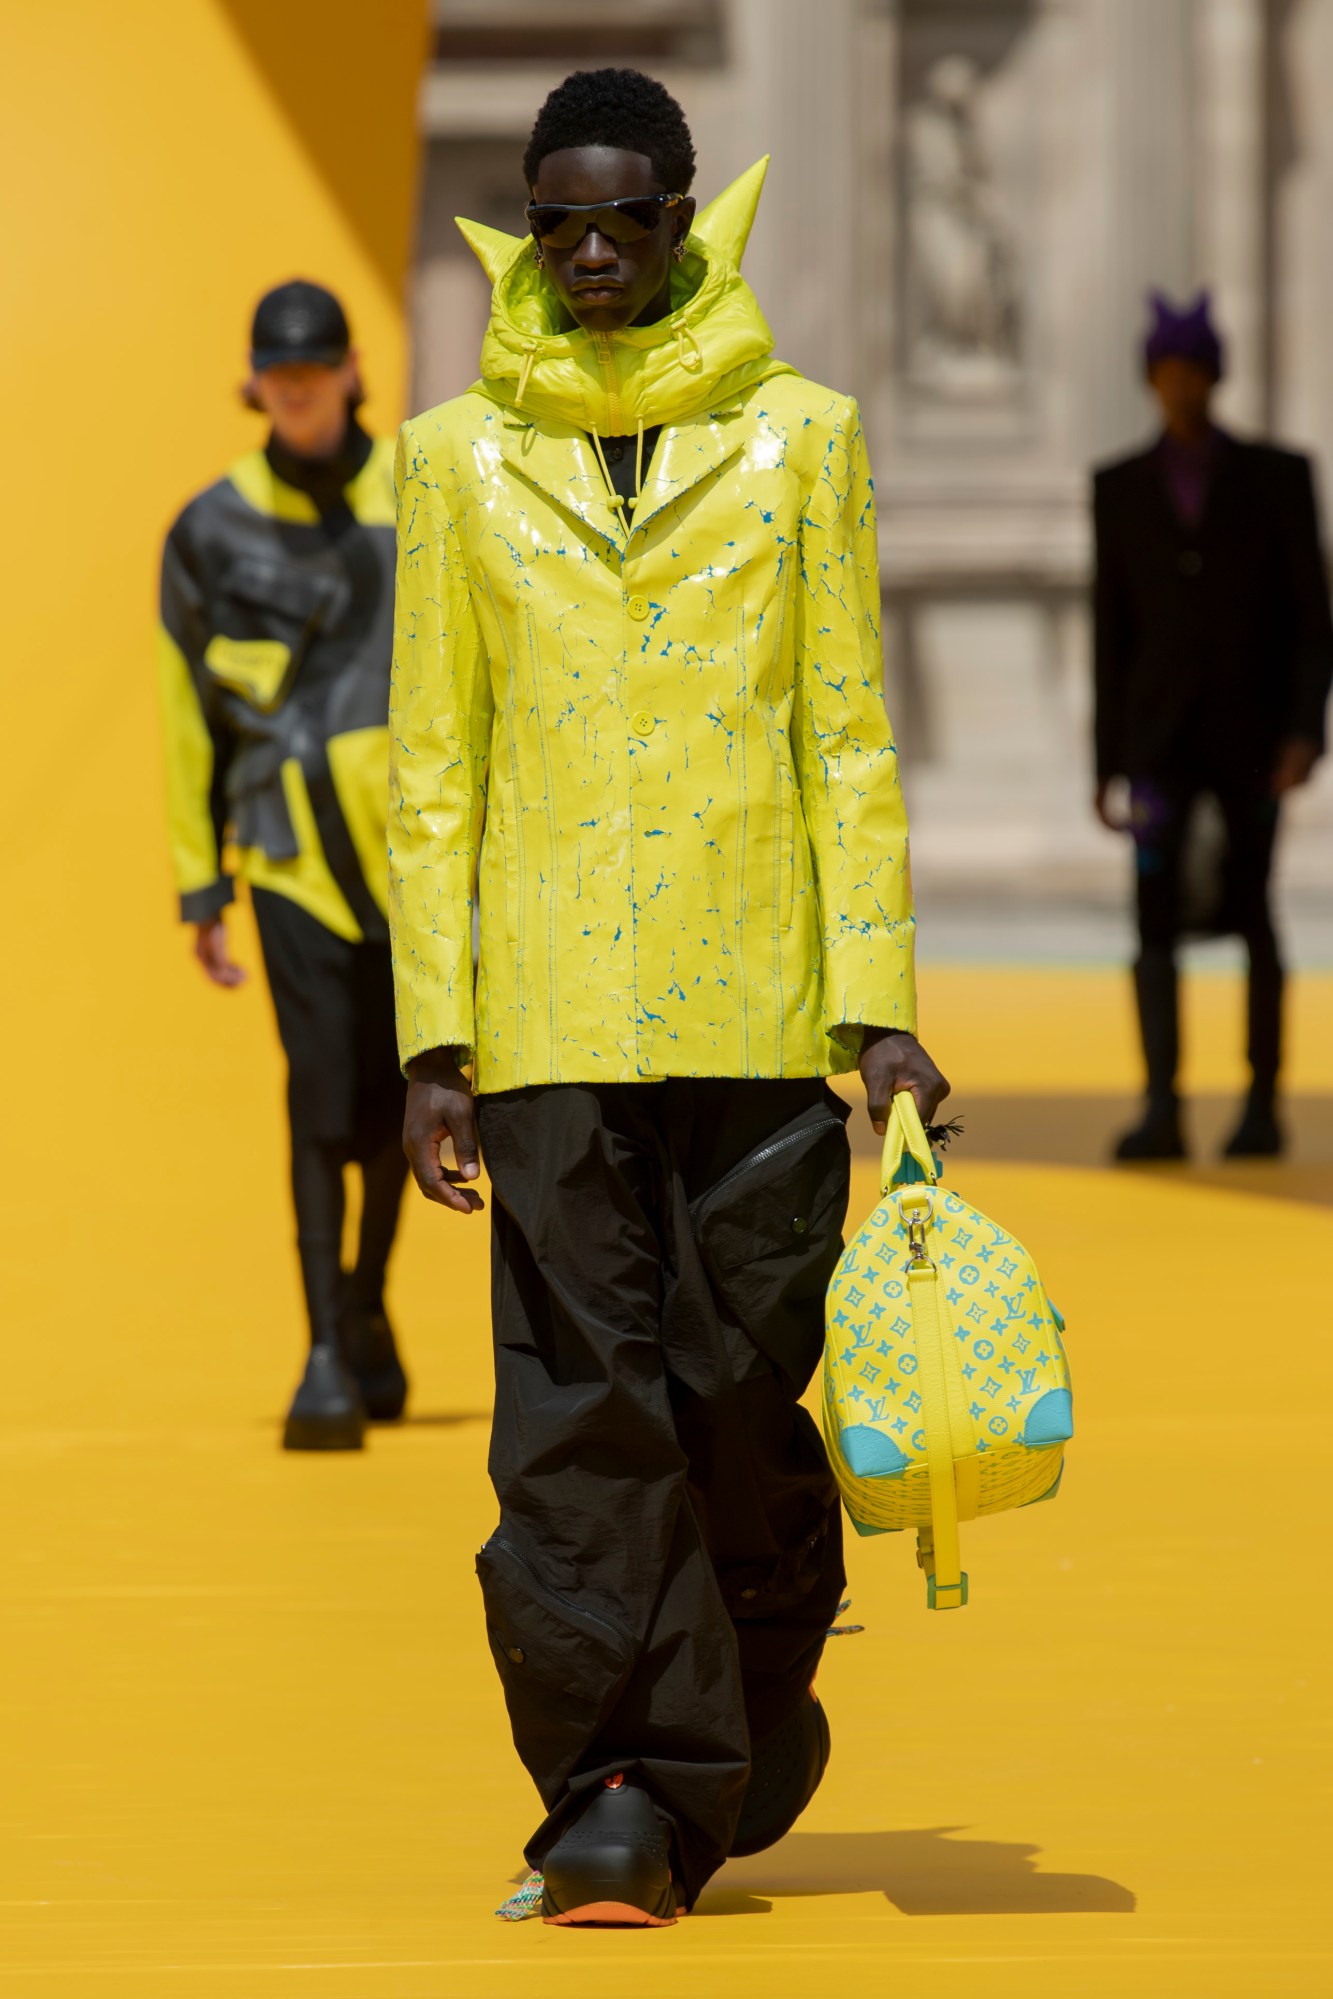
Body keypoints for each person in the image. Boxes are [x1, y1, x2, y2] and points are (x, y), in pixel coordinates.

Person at [389, 68, 948, 1926]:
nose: (596, 248)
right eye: (559, 218)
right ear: (526, 228)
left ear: (689, 214)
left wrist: (874, 1006)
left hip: (761, 1009)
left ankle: (752, 1667)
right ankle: (617, 1782)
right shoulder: (454, 458)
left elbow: (845, 734)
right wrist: (431, 1037)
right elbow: (433, 765)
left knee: (727, 1387)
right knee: (574, 1412)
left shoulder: (805, 442)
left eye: (630, 214)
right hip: (545, 1016)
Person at [158, 280, 410, 1450]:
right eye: (280, 376)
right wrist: (199, 881)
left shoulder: (424, 488)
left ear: (353, 370)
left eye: (316, 372)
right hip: (293, 859)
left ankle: (366, 1301)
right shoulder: (208, 529)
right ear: (257, 382)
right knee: (319, 1101)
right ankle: (322, 1348)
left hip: (417, 860)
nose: (299, 392)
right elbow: (183, 713)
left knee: (401, 1100)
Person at [1093, 291, 1333, 1160]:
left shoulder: (1276, 479)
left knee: (1254, 915)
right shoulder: (1117, 489)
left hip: (1251, 743)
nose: (1181, 387)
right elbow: (1109, 633)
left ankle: (1260, 1103)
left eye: (1195, 370)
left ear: (1214, 375)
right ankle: (1161, 1103)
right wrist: (1105, 762)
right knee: (1152, 923)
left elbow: (1314, 619)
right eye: (1168, 371)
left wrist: (1304, 733)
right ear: (1152, 377)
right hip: (1158, 748)